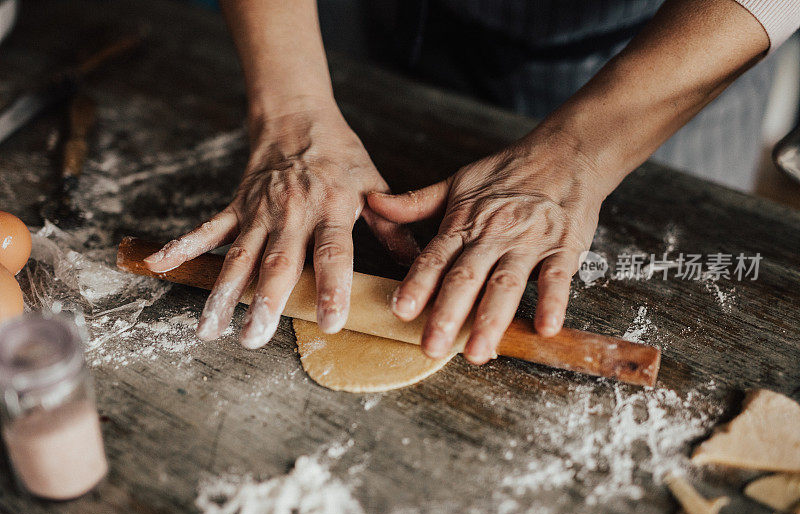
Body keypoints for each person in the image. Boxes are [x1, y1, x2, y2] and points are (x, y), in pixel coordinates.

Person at [144, 0, 800, 365]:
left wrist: (583, 152)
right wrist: (292, 112)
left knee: (689, 300)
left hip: (675, 46)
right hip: (421, 26)